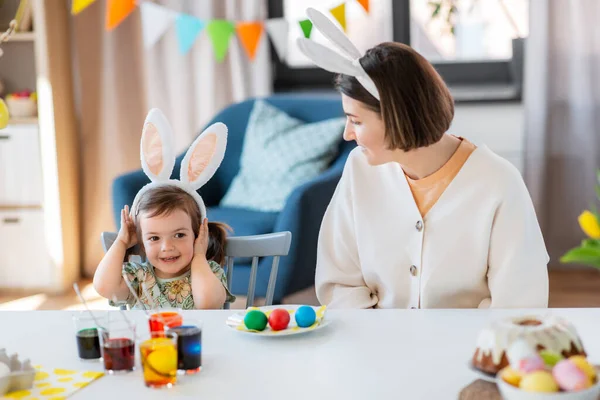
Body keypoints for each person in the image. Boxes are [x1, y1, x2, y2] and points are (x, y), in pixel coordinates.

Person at [297, 8, 549, 309]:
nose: (347, 135)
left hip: (469, 352)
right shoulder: (359, 170)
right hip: (375, 348)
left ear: (396, 117)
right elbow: (339, 281)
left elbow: (519, 302)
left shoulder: (498, 183)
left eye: (357, 121)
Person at [93, 108, 235, 309]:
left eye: (179, 235)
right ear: (141, 241)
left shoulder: (208, 271)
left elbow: (208, 304)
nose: (167, 246)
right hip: (147, 342)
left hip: (193, 342)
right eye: (154, 238)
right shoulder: (139, 278)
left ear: (197, 234)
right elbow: (103, 287)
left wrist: (199, 256)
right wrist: (122, 241)